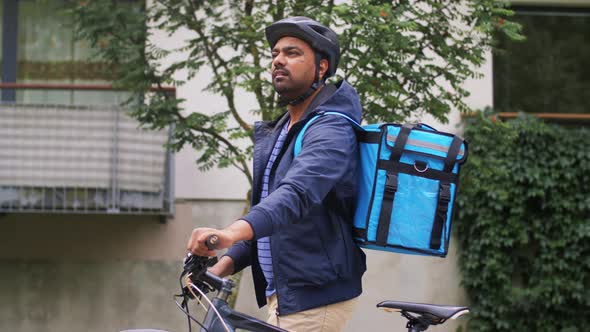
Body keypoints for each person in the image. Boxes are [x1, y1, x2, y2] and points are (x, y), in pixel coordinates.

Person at [187, 16, 366, 332]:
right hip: (288, 295)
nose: (279, 61)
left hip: (314, 297)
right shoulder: (285, 128)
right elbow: (270, 218)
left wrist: (229, 232)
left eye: (293, 53)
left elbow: (295, 195)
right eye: (275, 54)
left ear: (322, 68)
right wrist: (224, 264)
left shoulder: (332, 128)